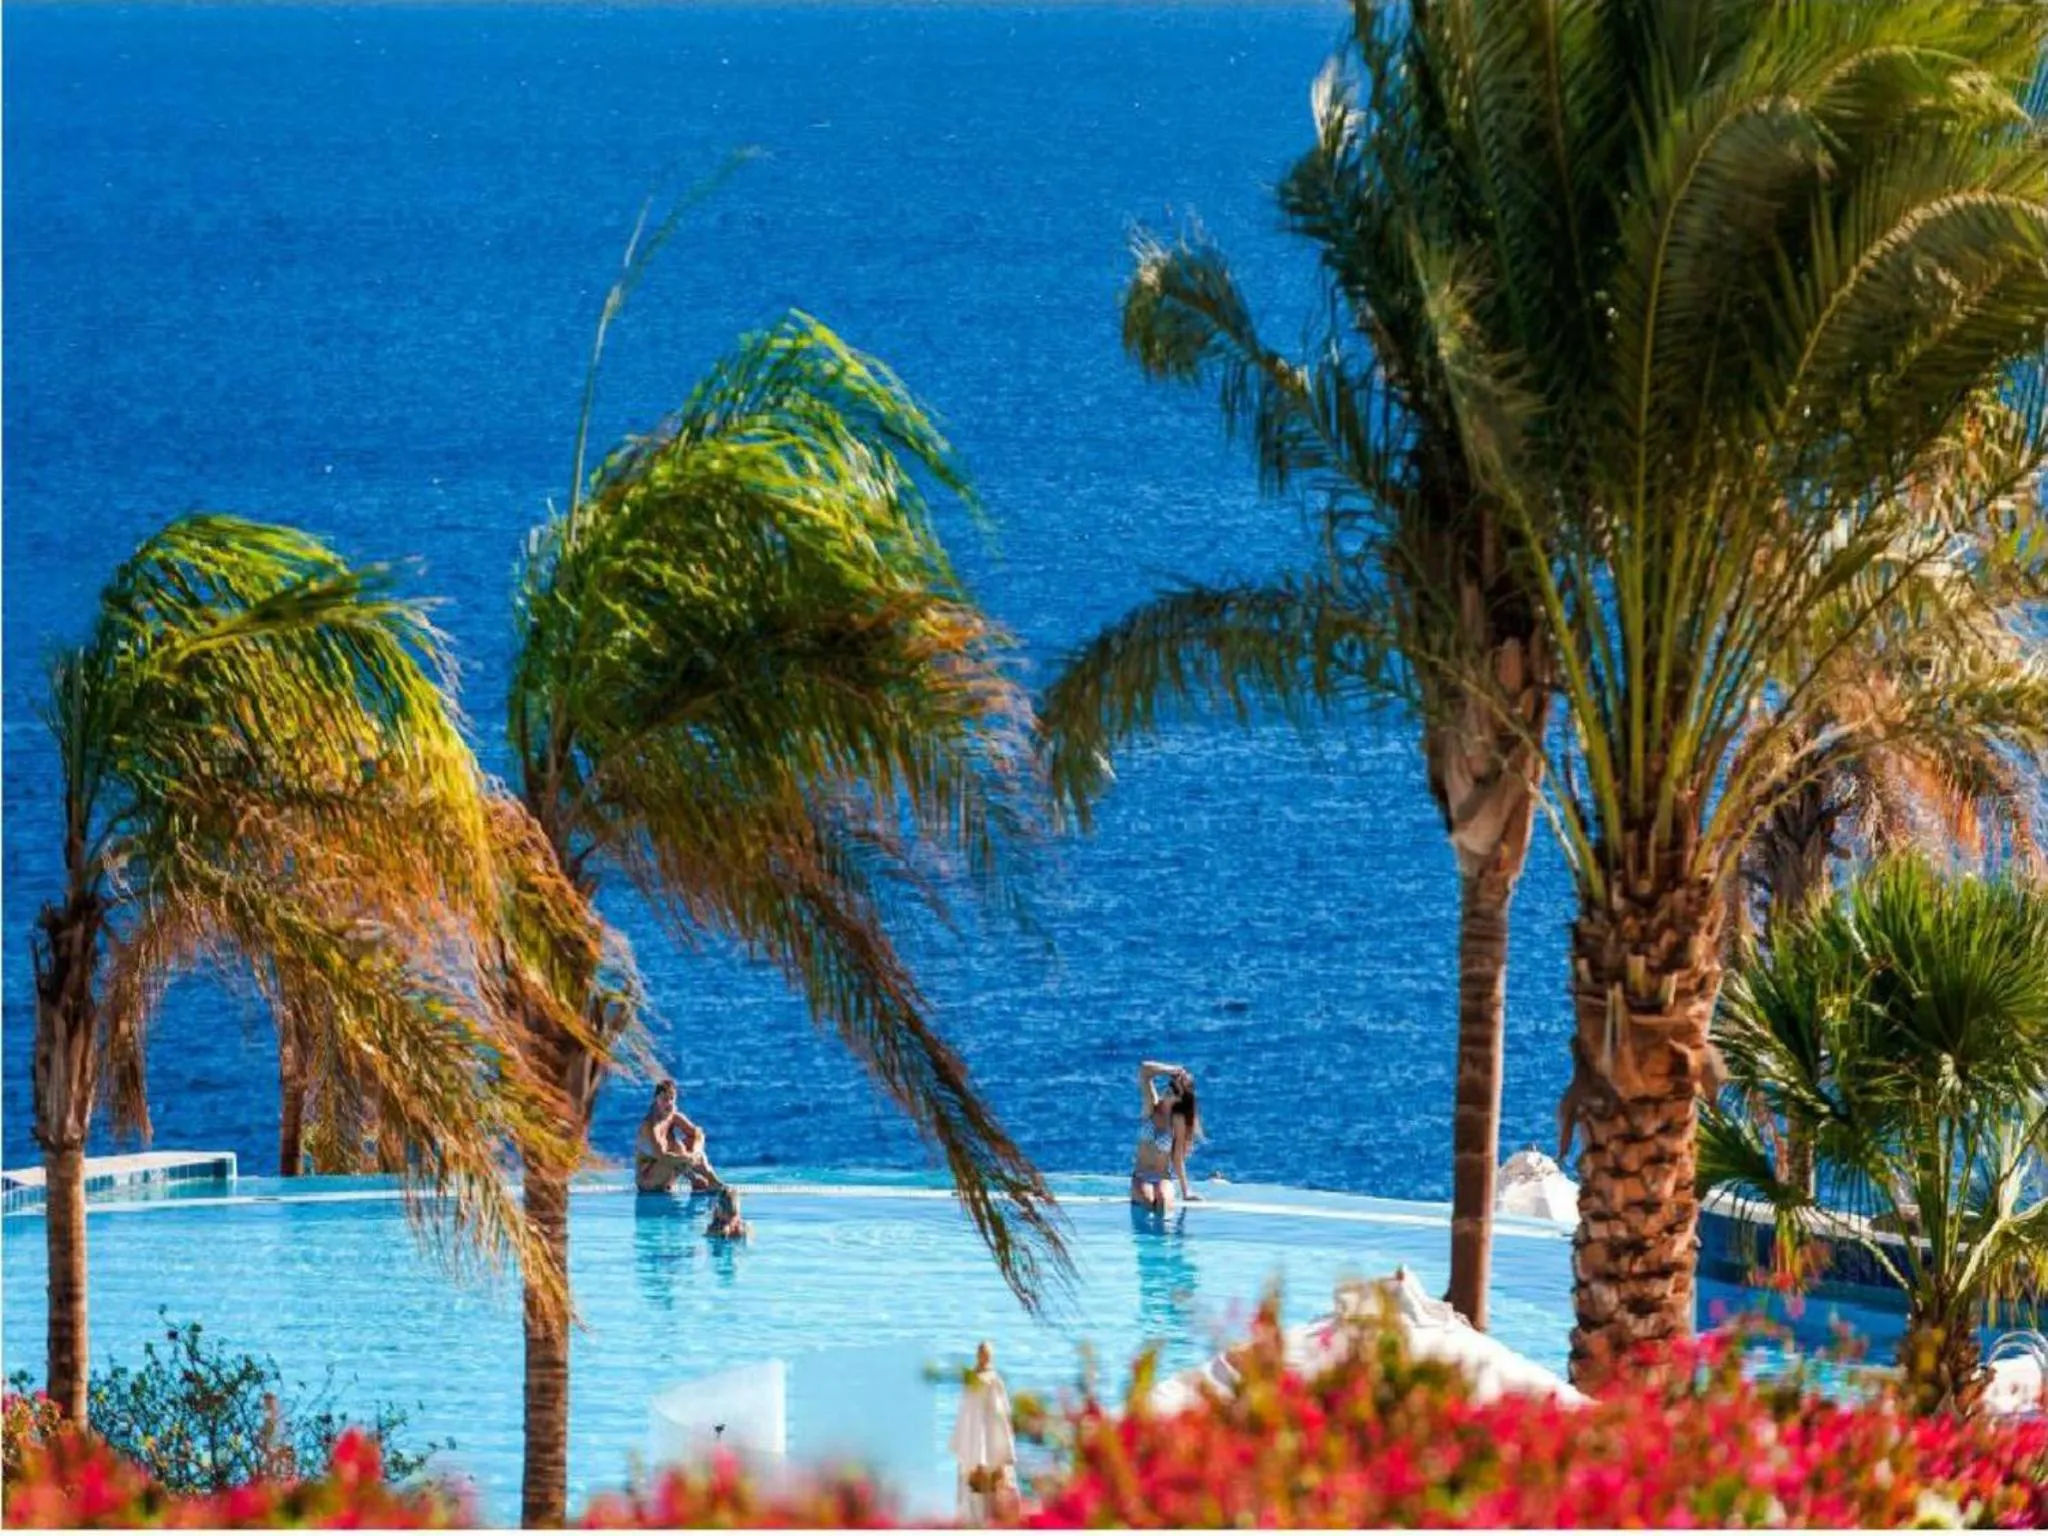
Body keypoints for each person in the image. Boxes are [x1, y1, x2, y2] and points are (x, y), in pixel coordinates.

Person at [1132, 1060, 1203, 1212]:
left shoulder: (1177, 1121)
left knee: (1163, 1201)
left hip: (1163, 1177)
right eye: (1170, 1085)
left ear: (1180, 1098)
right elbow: (1144, 1070)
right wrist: (1172, 1070)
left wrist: (1186, 1191)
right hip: (1141, 1175)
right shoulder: (1151, 1107)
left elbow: (1177, 1158)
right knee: (1148, 1199)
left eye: (1175, 1090)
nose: (1169, 1090)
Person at [636, 1080, 719, 1194]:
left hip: (666, 1176)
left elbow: (698, 1133)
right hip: (648, 1182)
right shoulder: (650, 1125)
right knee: (677, 1147)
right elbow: (662, 1156)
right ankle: (701, 1180)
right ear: (656, 1100)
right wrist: (689, 1159)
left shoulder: (673, 1116)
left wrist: (696, 1152)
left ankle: (713, 1182)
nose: (669, 1103)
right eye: (665, 1099)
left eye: (672, 1098)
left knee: (688, 1144)